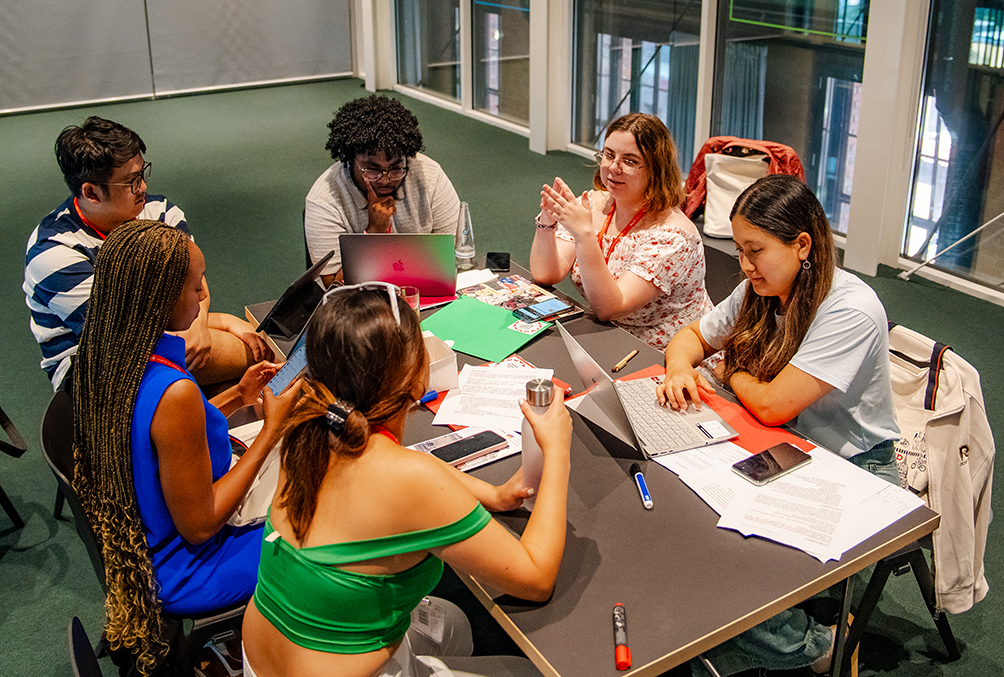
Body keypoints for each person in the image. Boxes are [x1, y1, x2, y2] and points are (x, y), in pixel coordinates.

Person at [242, 282, 572, 677]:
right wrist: (557, 451)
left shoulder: (306, 429)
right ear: (418, 378)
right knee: (525, 671)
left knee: (453, 624)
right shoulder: (409, 478)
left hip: (264, 658)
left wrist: (494, 495)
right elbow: (536, 578)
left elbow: (404, 471)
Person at [657, 174, 899, 676]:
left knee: (724, 566)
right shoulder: (764, 287)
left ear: (802, 245)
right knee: (685, 531)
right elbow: (689, 338)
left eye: (755, 251)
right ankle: (732, 643)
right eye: (740, 250)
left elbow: (770, 405)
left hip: (851, 467)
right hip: (784, 447)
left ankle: (814, 645)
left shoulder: (851, 309)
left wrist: (729, 370)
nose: (744, 266)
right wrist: (682, 367)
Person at [72, 221, 301, 676]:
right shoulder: (173, 392)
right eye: (195, 287)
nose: (202, 300)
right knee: (331, 509)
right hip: (192, 564)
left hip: (145, 544)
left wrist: (236, 395)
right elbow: (199, 525)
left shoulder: (111, 355)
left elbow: (164, 440)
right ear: (160, 297)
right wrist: (271, 430)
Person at [24, 116, 272, 391]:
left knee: (248, 364)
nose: (142, 187)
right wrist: (223, 322)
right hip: (95, 368)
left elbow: (192, 284)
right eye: (130, 181)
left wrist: (201, 323)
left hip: (158, 332)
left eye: (143, 173)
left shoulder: (160, 211)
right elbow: (124, 332)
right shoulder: (53, 253)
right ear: (91, 192)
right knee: (264, 358)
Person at [530, 113, 713, 351]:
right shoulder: (596, 203)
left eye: (630, 160)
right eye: (608, 155)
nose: (614, 167)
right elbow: (546, 274)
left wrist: (584, 235)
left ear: (656, 169)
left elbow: (610, 308)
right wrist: (548, 220)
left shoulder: (673, 236)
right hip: (608, 337)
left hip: (666, 355)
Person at [304, 95, 462, 287]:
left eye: (396, 168)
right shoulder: (324, 199)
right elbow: (333, 288)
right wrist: (373, 234)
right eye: (372, 170)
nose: (386, 179)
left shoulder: (430, 176)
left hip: (424, 294)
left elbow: (455, 254)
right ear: (349, 159)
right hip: (360, 307)